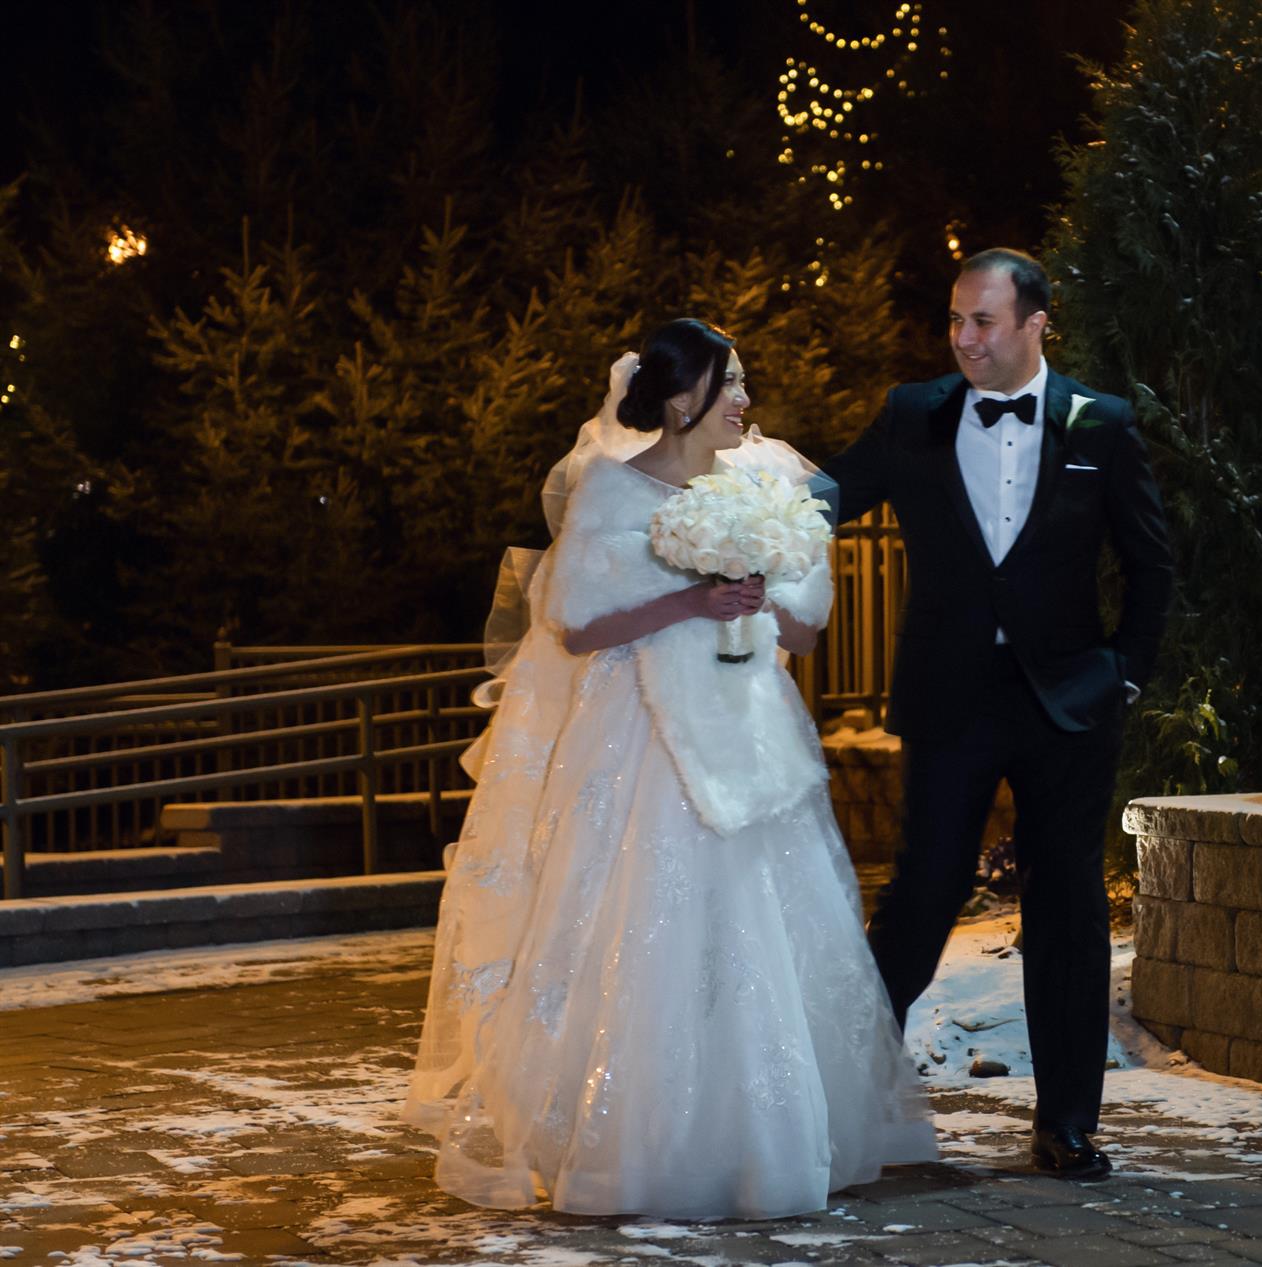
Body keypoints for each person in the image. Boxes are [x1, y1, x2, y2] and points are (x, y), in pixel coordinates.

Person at [403, 319, 936, 1219]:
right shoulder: (611, 489)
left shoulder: (764, 482)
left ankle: (762, 1138)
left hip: (746, 729)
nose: (746, 402)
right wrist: (689, 599)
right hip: (637, 737)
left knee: (758, 925)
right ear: (684, 396)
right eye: (732, 384)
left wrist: (759, 592)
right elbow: (577, 626)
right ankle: (638, 1144)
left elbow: (806, 631)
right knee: (645, 921)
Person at [823, 249, 1173, 1180]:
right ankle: (836, 1103)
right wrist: (729, 509)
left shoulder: (1103, 422)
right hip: (951, 699)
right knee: (921, 896)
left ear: (1035, 323)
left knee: (1068, 908)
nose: (963, 339)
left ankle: (1066, 1124)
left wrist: (1124, 675)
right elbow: (831, 494)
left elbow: (1151, 562)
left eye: (982, 321)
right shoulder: (912, 414)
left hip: (1070, 702)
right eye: (955, 320)